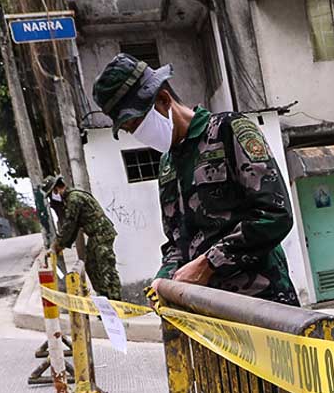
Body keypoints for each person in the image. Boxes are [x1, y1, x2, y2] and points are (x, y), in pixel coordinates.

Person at [89, 53, 299, 306]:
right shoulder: (167, 165)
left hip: (261, 303)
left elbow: (275, 214)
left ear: (164, 100)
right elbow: (177, 241)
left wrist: (209, 263)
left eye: (135, 124)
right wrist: (164, 280)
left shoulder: (228, 131)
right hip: (206, 311)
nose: (136, 134)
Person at [44, 173, 122, 301]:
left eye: (51, 195)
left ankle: (116, 303)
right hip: (95, 236)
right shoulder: (71, 198)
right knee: (91, 267)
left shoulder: (74, 199)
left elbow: (69, 225)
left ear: (56, 189)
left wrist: (56, 245)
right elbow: (72, 227)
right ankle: (104, 302)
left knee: (105, 268)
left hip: (102, 234)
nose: (52, 198)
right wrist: (60, 245)